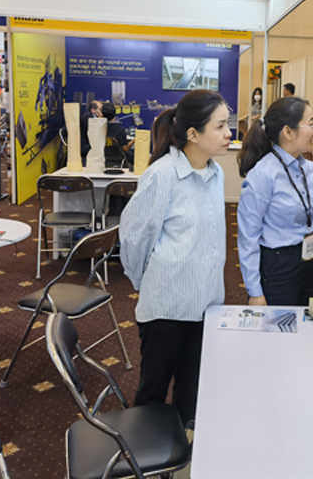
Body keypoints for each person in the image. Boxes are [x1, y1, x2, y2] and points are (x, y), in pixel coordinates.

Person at [119, 89, 231, 425]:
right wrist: (144, 282)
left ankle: (184, 452)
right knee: (152, 394)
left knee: (192, 392)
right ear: (193, 134)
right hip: (167, 308)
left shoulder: (216, 174)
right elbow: (135, 237)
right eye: (220, 126)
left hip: (206, 304)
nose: (229, 133)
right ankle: (143, 453)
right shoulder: (163, 174)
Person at [237, 97, 313, 306]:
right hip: (277, 265)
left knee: (304, 321)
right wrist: (255, 292)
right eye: (311, 124)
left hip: (306, 261)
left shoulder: (308, 168)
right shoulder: (263, 174)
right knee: (278, 324)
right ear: (288, 132)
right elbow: (248, 236)